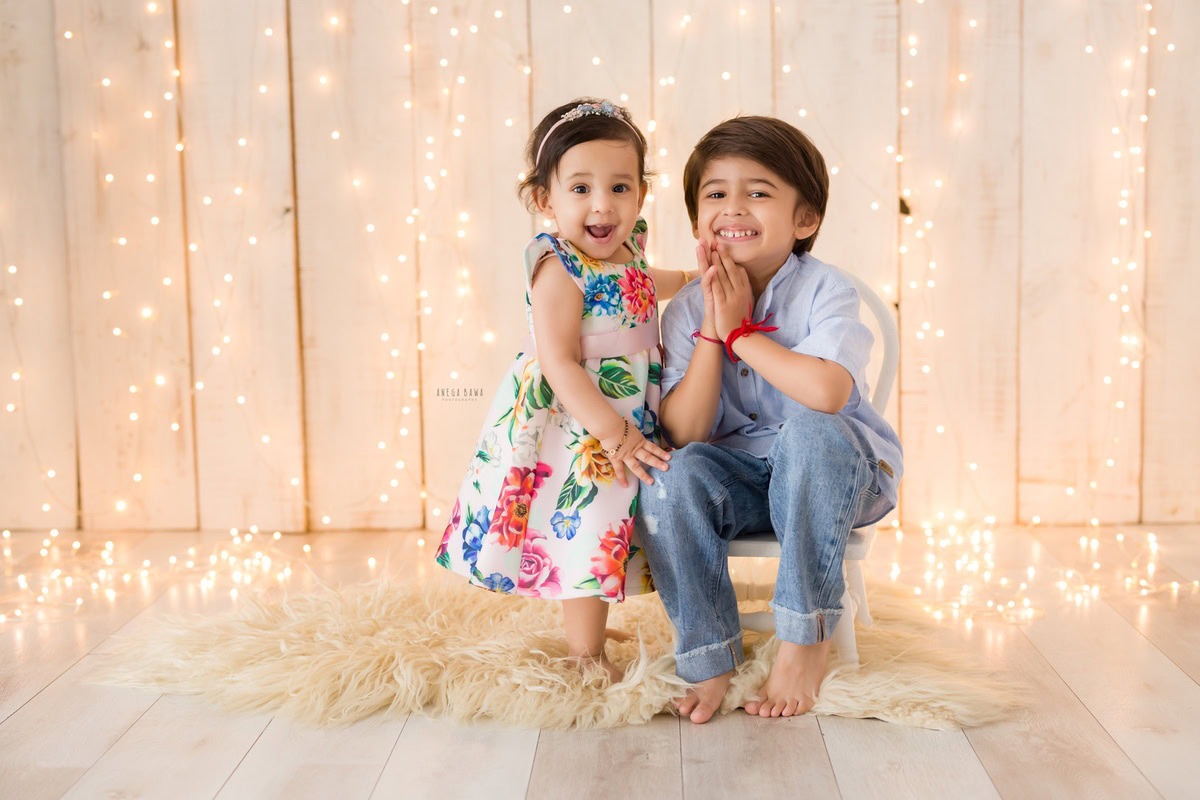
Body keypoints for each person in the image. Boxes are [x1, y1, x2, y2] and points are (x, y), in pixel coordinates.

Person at [636, 115, 903, 722]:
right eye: (716, 194)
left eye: (758, 192)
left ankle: (804, 640)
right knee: (669, 474)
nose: (734, 207)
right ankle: (708, 654)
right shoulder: (685, 310)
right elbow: (686, 434)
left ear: (803, 219)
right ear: (697, 220)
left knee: (810, 432)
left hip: (838, 476)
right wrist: (712, 331)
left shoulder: (827, 291)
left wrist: (742, 335)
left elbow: (827, 394)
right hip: (744, 482)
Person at [435, 98, 695, 683]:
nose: (603, 204)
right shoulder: (557, 265)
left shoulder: (627, 249)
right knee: (589, 526)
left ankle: (591, 628)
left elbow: (640, 281)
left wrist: (691, 279)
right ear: (544, 200)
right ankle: (584, 654)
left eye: (620, 187)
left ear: (641, 194)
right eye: (580, 188)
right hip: (579, 419)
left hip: (626, 406)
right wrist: (613, 432)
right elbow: (558, 361)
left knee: (616, 519)